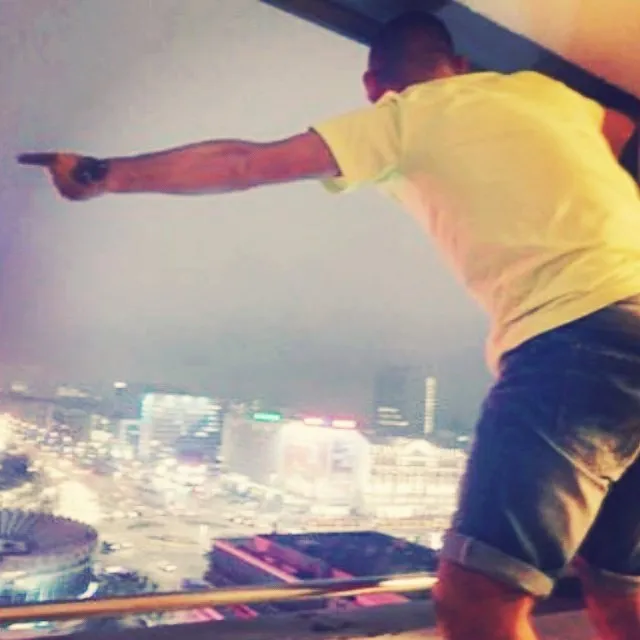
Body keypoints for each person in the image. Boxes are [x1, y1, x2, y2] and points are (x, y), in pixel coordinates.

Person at [18, 11, 640, 640]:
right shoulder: (546, 94)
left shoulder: (406, 116)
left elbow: (243, 163)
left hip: (580, 333)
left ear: (373, 86)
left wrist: (105, 175)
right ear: (460, 64)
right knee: (619, 585)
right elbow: (621, 131)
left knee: (479, 602)